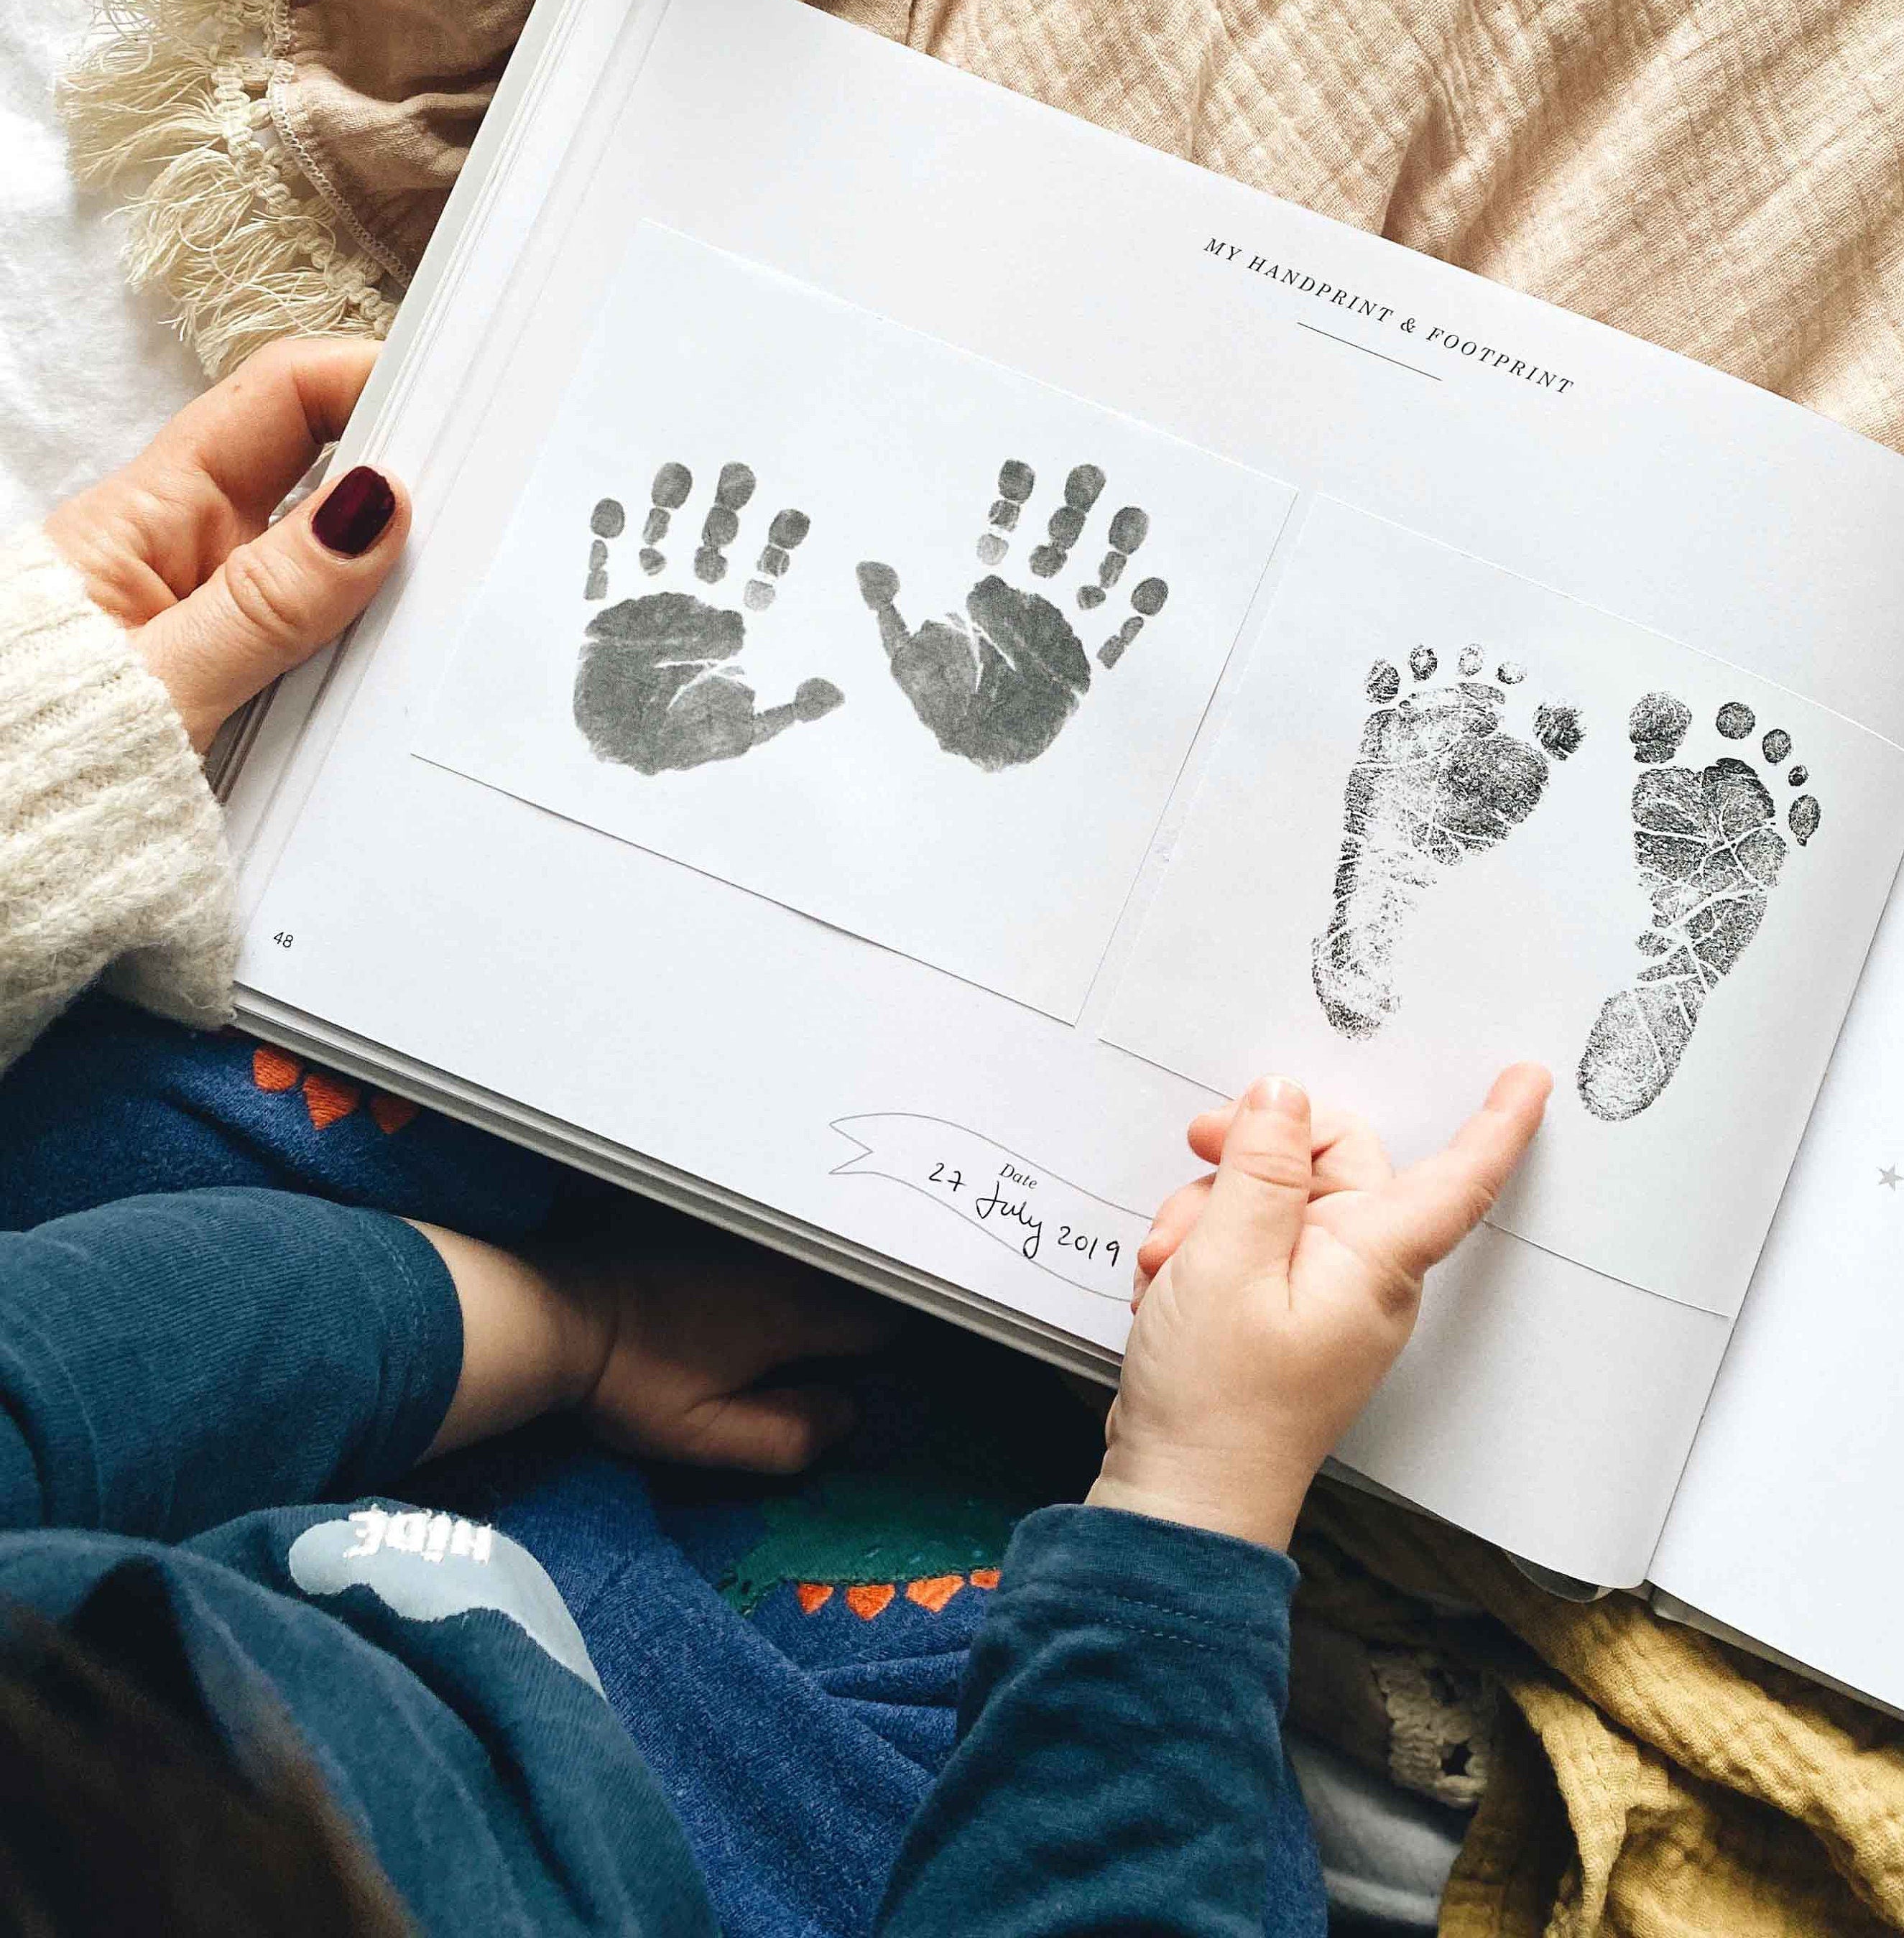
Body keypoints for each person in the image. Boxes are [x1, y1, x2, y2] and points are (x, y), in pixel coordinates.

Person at [0, 338, 1551, 1934]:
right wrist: (1201, 1484)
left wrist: (584, 1329)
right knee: (1116, 1720)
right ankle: (968, 912)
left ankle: (732, 881)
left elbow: (95, 1357)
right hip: (739, 1801)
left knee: (234, 1046)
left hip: (222, 1439)